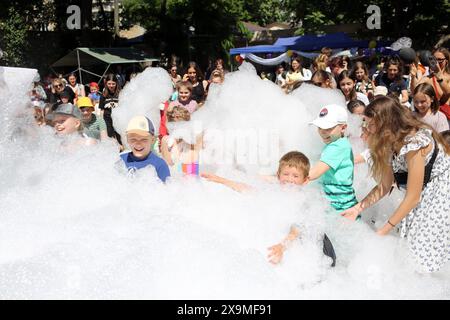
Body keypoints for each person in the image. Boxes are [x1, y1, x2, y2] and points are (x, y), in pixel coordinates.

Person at [340, 96, 450, 273]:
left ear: (386, 123)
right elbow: (384, 186)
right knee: (408, 246)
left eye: (371, 124)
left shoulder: (415, 142)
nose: (367, 129)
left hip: (442, 190)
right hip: (424, 191)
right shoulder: (387, 142)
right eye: (366, 124)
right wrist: (357, 208)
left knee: (421, 252)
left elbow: (413, 197)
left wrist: (383, 231)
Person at [201, 152, 337, 267]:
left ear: (305, 180)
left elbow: (296, 229)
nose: (290, 179)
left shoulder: (303, 201)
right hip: (295, 235)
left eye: (295, 176)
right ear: (278, 176)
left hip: (318, 245)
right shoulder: (276, 192)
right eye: (286, 174)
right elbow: (249, 190)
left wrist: (282, 247)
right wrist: (221, 180)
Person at [308, 104, 358, 213]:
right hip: (340, 201)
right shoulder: (339, 143)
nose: (322, 131)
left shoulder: (337, 147)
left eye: (328, 128)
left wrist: (287, 177)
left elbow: (313, 174)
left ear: (343, 128)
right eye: (320, 127)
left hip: (340, 206)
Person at [120, 116, 171, 183]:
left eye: (144, 140)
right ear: (127, 140)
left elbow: (168, 190)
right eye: (133, 139)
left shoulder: (159, 165)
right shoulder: (121, 160)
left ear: (152, 140)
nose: (138, 144)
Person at [412, 47, 450, 125]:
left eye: (440, 59)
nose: (436, 62)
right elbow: (415, 91)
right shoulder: (428, 78)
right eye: (434, 59)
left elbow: (447, 92)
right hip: (431, 118)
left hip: (446, 118)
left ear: (446, 61)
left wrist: (439, 76)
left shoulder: (448, 77)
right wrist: (413, 76)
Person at [99, 74, 123, 147]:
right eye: (109, 84)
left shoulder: (120, 93)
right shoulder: (103, 95)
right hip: (107, 118)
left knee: (119, 135)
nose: (111, 86)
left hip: (118, 118)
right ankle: (114, 149)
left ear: (116, 83)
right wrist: (101, 121)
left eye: (113, 84)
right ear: (106, 83)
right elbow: (102, 109)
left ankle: (121, 147)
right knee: (110, 135)